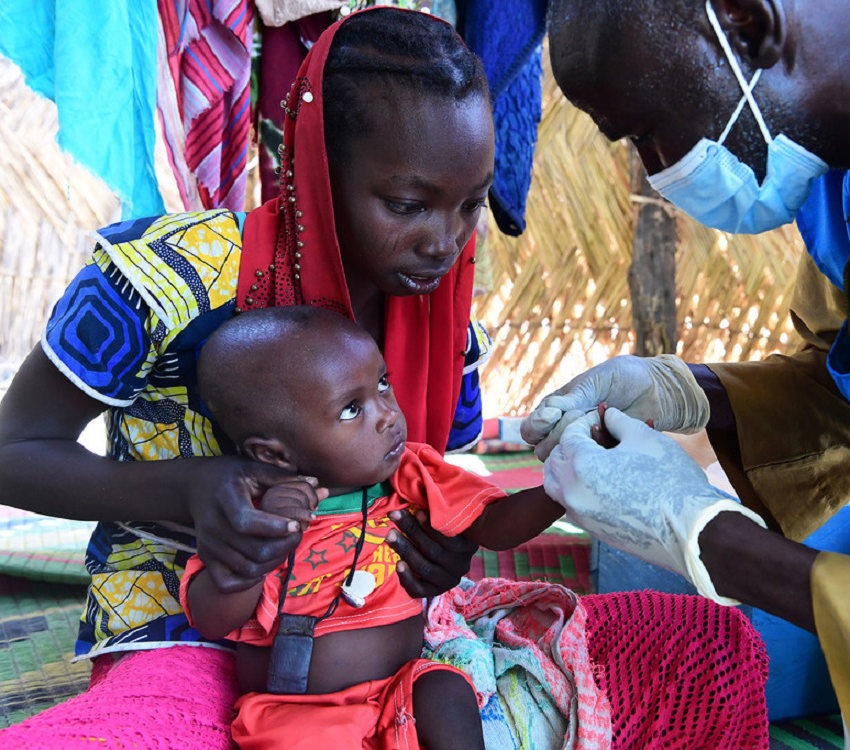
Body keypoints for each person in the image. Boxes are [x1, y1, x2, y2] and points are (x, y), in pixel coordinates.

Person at [0, 8, 496, 746]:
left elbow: (434, 474)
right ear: (318, 164)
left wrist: (440, 547)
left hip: (378, 637)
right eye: (407, 205)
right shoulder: (163, 281)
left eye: (469, 204)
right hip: (178, 621)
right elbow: (5, 459)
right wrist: (187, 486)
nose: (443, 241)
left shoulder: (445, 323)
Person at [527, 0, 850, 746]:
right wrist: (690, 397)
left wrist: (706, 535)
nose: (652, 169)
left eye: (643, 130)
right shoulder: (847, 179)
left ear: (741, 24)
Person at [183, 305, 567, 749]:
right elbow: (211, 619)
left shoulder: (412, 473)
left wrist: (562, 488)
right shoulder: (251, 512)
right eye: (351, 409)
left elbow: (494, 524)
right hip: (296, 715)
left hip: (398, 691)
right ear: (273, 455)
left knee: (446, 689)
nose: (386, 414)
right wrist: (262, 545)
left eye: (383, 384)